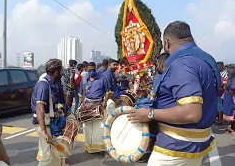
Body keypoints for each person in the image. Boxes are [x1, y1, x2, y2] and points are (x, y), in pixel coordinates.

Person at [127, 21, 220, 166]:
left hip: (177, 144)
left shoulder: (182, 64)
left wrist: (149, 114)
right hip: (196, 140)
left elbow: (191, 113)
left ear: (167, 43)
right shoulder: (205, 59)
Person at [31, 59, 68, 166]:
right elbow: (39, 107)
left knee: (55, 153)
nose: (62, 74)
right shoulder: (44, 84)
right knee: (48, 155)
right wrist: (43, 130)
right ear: (56, 72)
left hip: (49, 122)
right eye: (61, 71)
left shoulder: (51, 83)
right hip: (44, 124)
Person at [78, 62, 108, 155]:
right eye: (89, 70)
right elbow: (81, 93)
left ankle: (101, 148)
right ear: (86, 69)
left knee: (100, 127)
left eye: (93, 70)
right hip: (87, 104)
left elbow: (108, 92)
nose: (91, 71)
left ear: (95, 68)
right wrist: (79, 106)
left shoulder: (102, 79)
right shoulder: (85, 79)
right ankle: (89, 147)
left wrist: (104, 103)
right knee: (87, 127)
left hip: (98, 104)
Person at [223, 66, 235, 134]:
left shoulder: (228, 81)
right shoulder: (233, 81)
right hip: (232, 100)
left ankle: (232, 129)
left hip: (228, 101)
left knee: (231, 116)